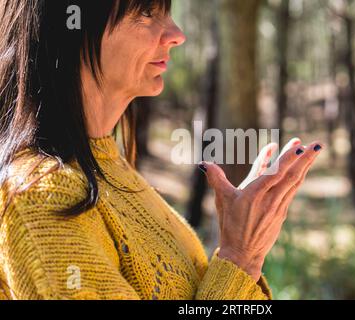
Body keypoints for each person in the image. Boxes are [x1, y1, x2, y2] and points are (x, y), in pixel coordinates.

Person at [0, 0, 323, 300]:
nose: (177, 34)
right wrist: (239, 258)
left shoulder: (110, 167)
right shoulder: (43, 195)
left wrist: (246, 257)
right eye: (146, 12)